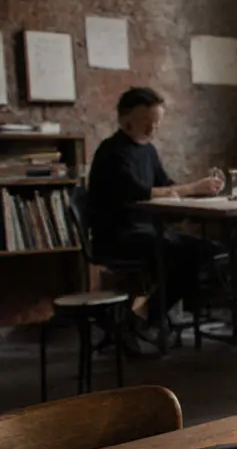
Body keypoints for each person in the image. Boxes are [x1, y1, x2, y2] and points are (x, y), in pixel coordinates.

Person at [88, 87, 225, 350]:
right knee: (187, 255)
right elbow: (140, 193)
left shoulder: (148, 150)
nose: (153, 128)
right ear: (124, 119)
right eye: (146, 121)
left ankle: (148, 315)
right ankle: (144, 316)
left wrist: (201, 194)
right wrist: (192, 188)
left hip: (149, 229)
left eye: (157, 121)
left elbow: (166, 185)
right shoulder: (112, 151)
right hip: (119, 234)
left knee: (210, 250)